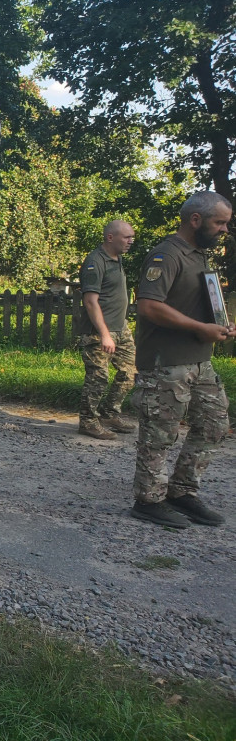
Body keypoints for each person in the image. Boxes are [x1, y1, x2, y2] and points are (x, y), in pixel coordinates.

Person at [129, 191, 234, 529]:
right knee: (160, 434)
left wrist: (218, 325)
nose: (224, 230)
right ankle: (149, 500)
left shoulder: (198, 256)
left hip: (199, 361)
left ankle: (182, 492)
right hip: (165, 364)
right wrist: (200, 327)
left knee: (215, 424)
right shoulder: (167, 254)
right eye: (219, 222)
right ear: (195, 220)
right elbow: (149, 306)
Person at [75, 220, 138, 439]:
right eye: (126, 237)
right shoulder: (95, 261)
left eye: (131, 237)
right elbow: (91, 302)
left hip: (121, 328)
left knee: (129, 373)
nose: (131, 241)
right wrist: (104, 334)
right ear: (110, 238)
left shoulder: (117, 258)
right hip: (99, 331)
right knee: (98, 377)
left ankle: (110, 413)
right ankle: (88, 421)